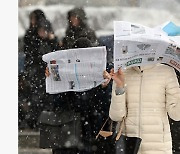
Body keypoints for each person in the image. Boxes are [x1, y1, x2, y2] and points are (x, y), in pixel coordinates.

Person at [44, 37, 112, 154]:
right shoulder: (65, 71)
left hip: (88, 132)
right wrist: (52, 79)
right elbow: (57, 105)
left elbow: (105, 109)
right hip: (71, 132)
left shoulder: (101, 73)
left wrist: (105, 86)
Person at [108, 63, 180, 154]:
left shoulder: (166, 71)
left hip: (158, 147)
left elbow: (176, 115)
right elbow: (116, 116)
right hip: (129, 145)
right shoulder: (122, 72)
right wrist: (120, 86)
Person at [21, 9, 61, 129]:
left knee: (46, 97)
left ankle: (45, 122)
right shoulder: (32, 36)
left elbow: (55, 51)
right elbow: (32, 53)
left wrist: (51, 39)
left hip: (46, 71)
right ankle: (37, 122)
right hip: (37, 71)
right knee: (37, 98)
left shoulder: (48, 38)